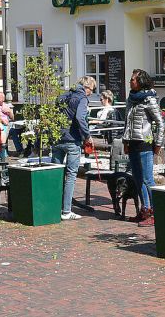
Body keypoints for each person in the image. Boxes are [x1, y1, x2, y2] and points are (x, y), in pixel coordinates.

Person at [122, 69, 164, 226]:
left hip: (144, 143)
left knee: (147, 179)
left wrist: (158, 144)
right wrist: (125, 141)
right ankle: (145, 210)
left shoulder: (149, 99)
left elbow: (160, 122)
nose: (130, 82)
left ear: (141, 82)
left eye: (133, 80)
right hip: (132, 142)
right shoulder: (131, 99)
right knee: (138, 179)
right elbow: (127, 123)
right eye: (131, 79)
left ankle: (156, 212)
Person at [53, 76, 96, 221]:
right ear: (87, 87)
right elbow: (80, 118)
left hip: (57, 138)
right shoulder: (82, 98)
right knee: (71, 176)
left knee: (56, 174)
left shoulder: (65, 95)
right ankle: (66, 211)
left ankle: (54, 207)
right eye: (92, 89)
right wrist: (87, 136)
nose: (91, 93)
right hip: (72, 140)